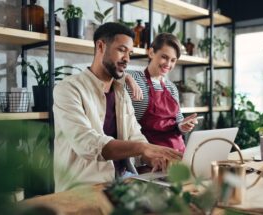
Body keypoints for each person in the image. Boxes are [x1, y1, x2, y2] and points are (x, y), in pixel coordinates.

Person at [53, 23, 182, 192]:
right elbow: (86, 143)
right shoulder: (68, 89)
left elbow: (135, 135)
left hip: (122, 185)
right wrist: (144, 148)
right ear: (101, 46)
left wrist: (153, 158)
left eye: (130, 53)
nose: (127, 59)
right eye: (122, 50)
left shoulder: (121, 92)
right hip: (83, 190)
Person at [125, 33, 198, 153]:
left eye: (173, 60)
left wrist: (183, 125)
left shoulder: (171, 87)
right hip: (151, 155)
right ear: (151, 53)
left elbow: (178, 122)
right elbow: (110, 73)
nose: (168, 64)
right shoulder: (135, 78)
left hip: (178, 152)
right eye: (164, 57)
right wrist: (126, 78)